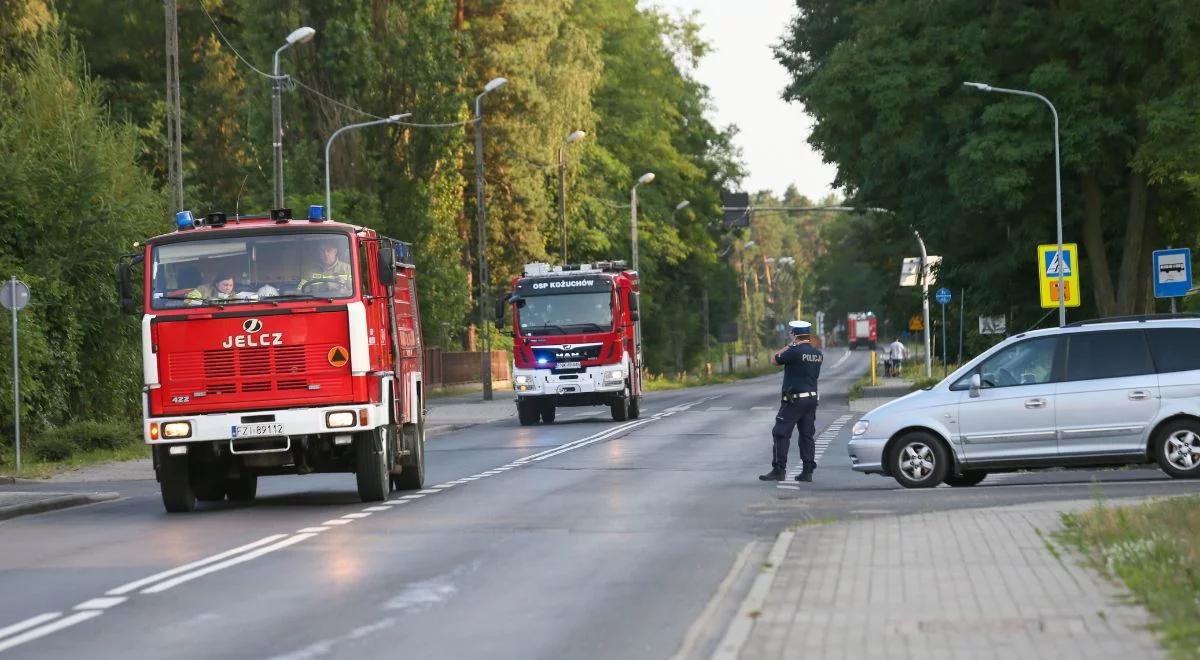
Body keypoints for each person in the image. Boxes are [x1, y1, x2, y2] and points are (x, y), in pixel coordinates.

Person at [759, 320, 823, 483]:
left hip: (794, 400)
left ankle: (779, 469)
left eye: (791, 333)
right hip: (811, 398)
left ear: (794, 334)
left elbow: (774, 360)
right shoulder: (817, 354)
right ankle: (807, 471)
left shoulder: (794, 351)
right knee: (807, 435)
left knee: (780, 432)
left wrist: (790, 345)